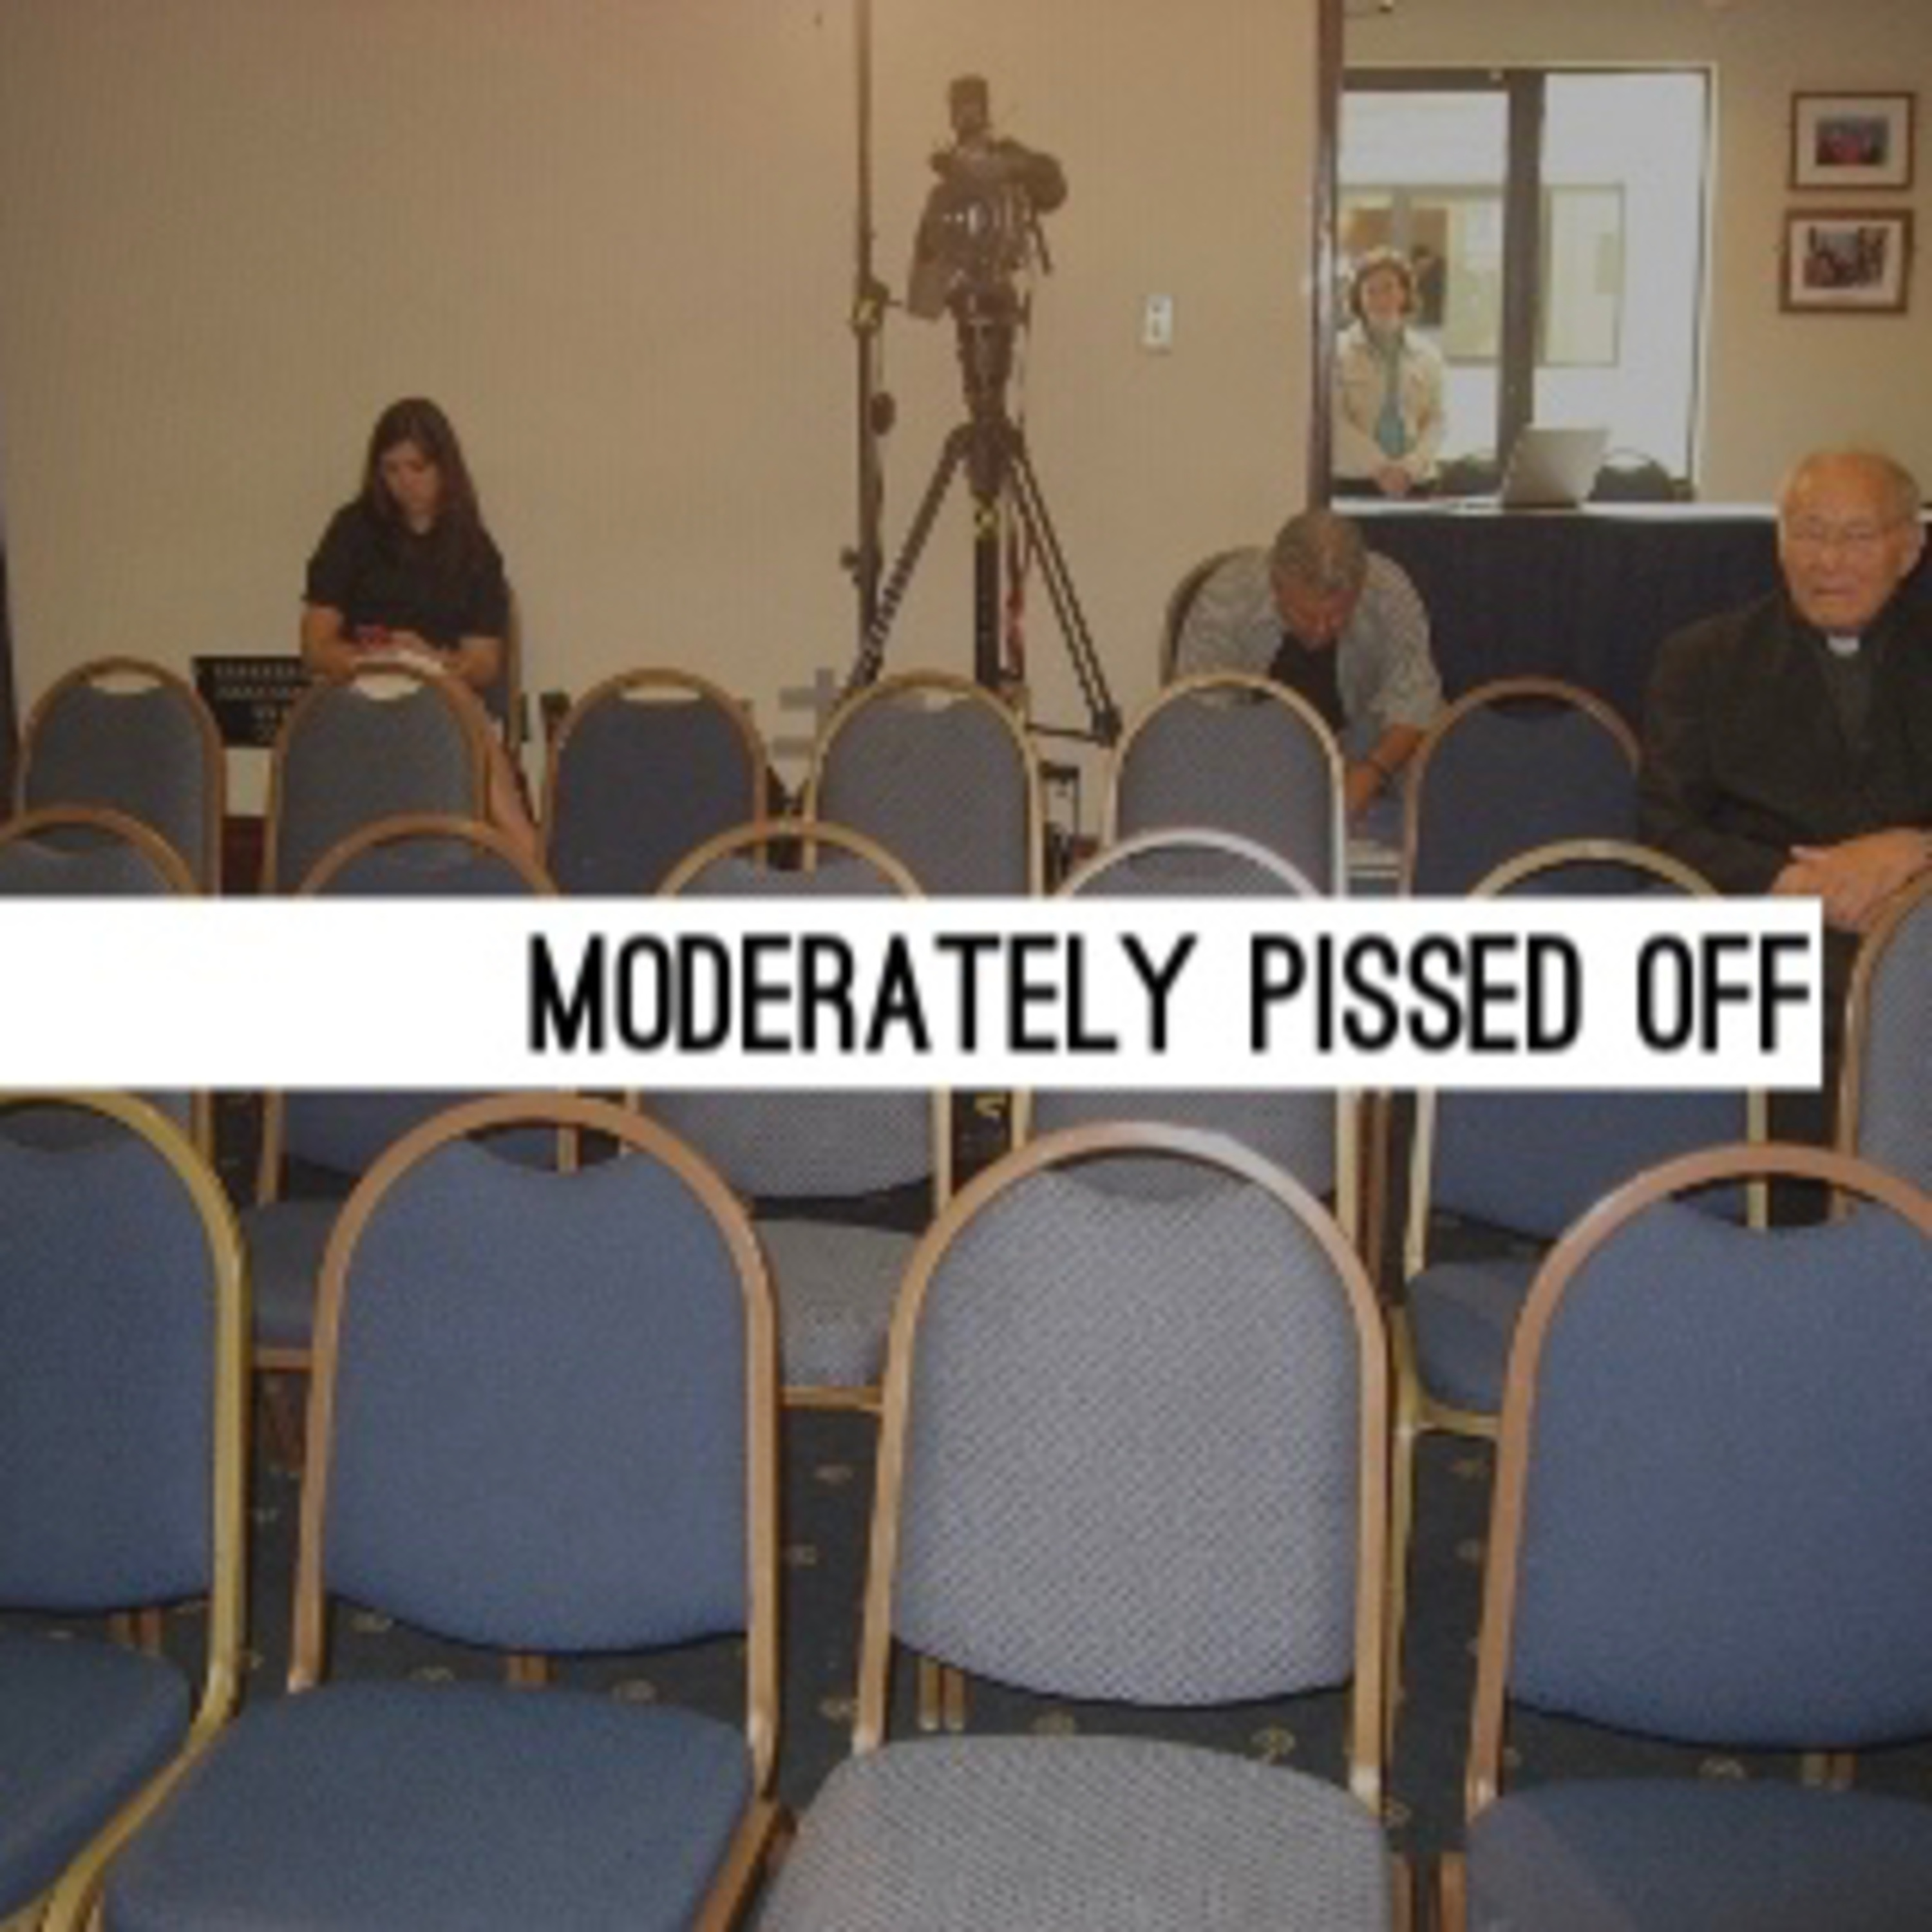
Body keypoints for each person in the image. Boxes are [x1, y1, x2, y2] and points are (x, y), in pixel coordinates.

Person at [1639, 447, 1932, 1114]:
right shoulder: (1702, 659)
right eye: (1809, 532)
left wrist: (1917, 852)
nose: (1828, 561)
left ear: (1910, 549)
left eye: (1857, 536)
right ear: (1779, 541)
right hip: (1764, 929)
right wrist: (1800, 885)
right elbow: (1664, 827)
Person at [301, 397, 537, 859]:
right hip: (359, 687)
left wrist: (432, 662)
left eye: (417, 468)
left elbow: (485, 663)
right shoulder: (352, 531)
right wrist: (376, 659)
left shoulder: (474, 548)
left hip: (440, 689)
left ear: (444, 468)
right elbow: (315, 647)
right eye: (391, 470)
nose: (404, 483)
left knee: (459, 709)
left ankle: (528, 857)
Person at [1171, 509, 1444, 819]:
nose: (1321, 630)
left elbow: (1417, 703)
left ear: (1360, 588)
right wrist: (1274, 779)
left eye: (1338, 615)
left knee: (1437, 762)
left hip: (1362, 743)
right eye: (1305, 615)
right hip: (1249, 746)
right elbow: (1205, 718)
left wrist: (1373, 771)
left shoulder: (1389, 590)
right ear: (1277, 586)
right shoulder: (1227, 597)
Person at [1332, 248, 1446, 499]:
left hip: (1415, 482)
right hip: (1356, 481)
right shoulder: (1337, 353)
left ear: (1404, 293)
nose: (1381, 298)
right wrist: (1380, 468)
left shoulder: (1428, 355)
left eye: (1389, 288)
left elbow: (1437, 420)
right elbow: (1335, 420)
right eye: (1370, 291)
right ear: (1358, 298)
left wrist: (1409, 468)